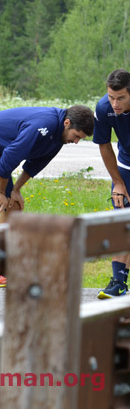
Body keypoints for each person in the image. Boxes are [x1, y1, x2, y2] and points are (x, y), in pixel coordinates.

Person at [0, 104, 95, 287]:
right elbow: (12, 155)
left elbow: (35, 164)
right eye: (76, 136)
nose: (76, 141)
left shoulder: (59, 136)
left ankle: (1, 263)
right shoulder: (43, 124)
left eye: (80, 139)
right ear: (67, 123)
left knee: (13, 205)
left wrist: (16, 190)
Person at [94, 69, 130, 299]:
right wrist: (118, 182)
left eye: (121, 98)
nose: (114, 104)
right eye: (111, 97)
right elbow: (104, 145)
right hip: (126, 168)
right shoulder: (103, 108)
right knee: (122, 221)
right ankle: (118, 282)